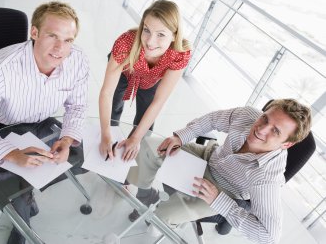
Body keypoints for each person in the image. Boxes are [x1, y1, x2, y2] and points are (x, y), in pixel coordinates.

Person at [0, 1, 89, 244]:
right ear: (35, 32)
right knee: (18, 182)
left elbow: (77, 106)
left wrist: (67, 138)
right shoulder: (2, 66)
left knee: (84, 157)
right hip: (5, 127)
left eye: (69, 40)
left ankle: (28, 195)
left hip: (44, 122)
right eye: (53, 36)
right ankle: (22, 223)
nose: (61, 48)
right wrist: (12, 154)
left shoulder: (77, 59)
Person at [129, 99, 312, 244]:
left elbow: (269, 237)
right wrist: (181, 136)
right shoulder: (248, 115)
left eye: (275, 131)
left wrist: (220, 201)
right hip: (208, 156)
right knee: (148, 148)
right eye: (265, 118)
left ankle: (159, 222)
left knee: (163, 216)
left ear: (287, 144)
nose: (261, 129)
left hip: (223, 191)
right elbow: (212, 119)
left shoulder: (268, 177)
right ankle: (145, 195)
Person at [99, 0, 191, 161]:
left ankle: (128, 163)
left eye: (161, 34)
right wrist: (105, 134)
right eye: (147, 30)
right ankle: (110, 148)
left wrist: (136, 138)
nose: (150, 41)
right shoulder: (126, 42)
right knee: (114, 105)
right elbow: (106, 93)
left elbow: (159, 101)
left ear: (174, 35)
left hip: (151, 80)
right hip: (124, 72)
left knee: (144, 122)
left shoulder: (180, 53)